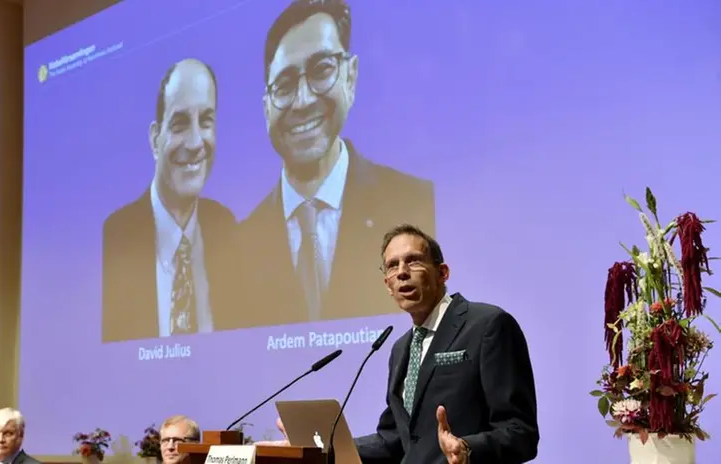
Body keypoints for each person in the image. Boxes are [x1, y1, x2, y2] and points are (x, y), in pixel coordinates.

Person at [263, 224, 539, 464]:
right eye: (393, 266)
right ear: (387, 284)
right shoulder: (401, 349)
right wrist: (322, 450)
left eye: (414, 261)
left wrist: (468, 449)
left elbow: (520, 432)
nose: (402, 272)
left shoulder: (487, 325)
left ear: (442, 272)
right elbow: (395, 440)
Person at [235, 0, 435, 329]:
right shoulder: (240, 242)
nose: (302, 101)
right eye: (283, 85)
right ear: (265, 107)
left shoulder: (415, 200)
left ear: (351, 76)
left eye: (321, 71)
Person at [102, 58, 238, 342]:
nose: (195, 142)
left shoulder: (228, 229)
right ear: (155, 139)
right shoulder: (116, 237)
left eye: (206, 121)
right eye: (179, 124)